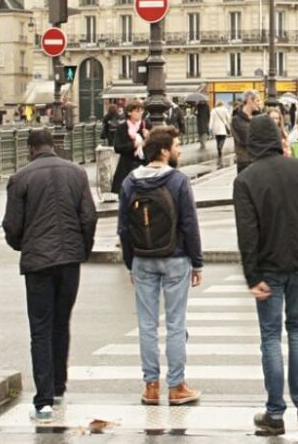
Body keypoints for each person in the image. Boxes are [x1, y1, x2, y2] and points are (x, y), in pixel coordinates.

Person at [233, 115, 298, 436]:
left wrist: (251, 276)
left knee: (271, 337)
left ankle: (275, 412)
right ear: (277, 137)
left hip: (269, 267)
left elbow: (247, 234)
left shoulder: (246, 179)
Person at [2, 129, 97, 422]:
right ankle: (58, 385)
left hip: (38, 263)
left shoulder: (20, 178)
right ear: (53, 146)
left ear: (31, 149)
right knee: (61, 321)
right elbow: (89, 217)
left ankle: (43, 401)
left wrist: (25, 246)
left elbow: (11, 225)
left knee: (40, 328)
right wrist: (82, 248)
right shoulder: (77, 173)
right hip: (70, 260)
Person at [118, 126, 204, 407]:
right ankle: (177, 386)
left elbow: (123, 228)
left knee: (147, 324)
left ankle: (151, 386)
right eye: (177, 146)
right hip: (175, 255)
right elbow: (189, 224)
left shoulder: (131, 181)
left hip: (143, 257)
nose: (179, 150)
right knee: (176, 322)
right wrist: (197, 261)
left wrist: (131, 263)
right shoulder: (178, 180)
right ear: (164, 151)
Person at [111, 100, 151, 195]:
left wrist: (149, 137)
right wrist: (133, 145)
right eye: (137, 111)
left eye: (141, 111)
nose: (140, 113)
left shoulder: (146, 126)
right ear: (129, 112)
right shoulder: (122, 128)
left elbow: (154, 146)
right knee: (126, 195)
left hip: (143, 165)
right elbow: (117, 147)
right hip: (126, 167)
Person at [233, 90, 262, 174]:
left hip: (259, 159)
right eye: (257, 100)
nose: (259, 103)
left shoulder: (259, 116)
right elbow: (246, 140)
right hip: (245, 161)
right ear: (249, 100)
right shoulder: (237, 119)